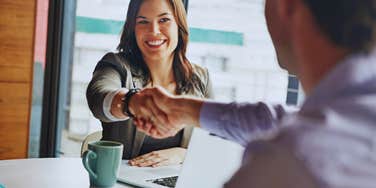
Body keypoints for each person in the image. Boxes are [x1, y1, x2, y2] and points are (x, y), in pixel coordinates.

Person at [128, 0, 376, 187]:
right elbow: (279, 119)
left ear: (285, 7)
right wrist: (182, 109)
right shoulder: (358, 107)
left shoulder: (286, 163)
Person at [86, 0, 212, 167]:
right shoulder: (116, 65)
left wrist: (183, 154)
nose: (154, 31)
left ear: (179, 24)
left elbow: (216, 142)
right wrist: (132, 102)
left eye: (164, 20)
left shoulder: (200, 78)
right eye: (143, 22)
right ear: (133, 28)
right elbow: (98, 99)